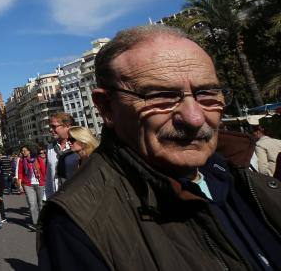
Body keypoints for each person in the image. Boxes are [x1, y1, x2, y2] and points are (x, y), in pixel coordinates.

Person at [38, 25, 281, 270]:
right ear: (107, 107)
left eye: (207, 93)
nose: (194, 117)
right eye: (161, 96)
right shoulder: (78, 225)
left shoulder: (250, 182)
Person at [45, 112, 79, 197]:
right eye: (50, 126)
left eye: (54, 126)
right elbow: (50, 176)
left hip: (77, 196)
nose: (50, 130)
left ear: (67, 126)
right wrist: (47, 197)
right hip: (57, 197)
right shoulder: (50, 147)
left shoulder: (79, 145)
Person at [18, 145, 46, 231]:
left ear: (30, 151)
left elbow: (44, 171)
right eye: (22, 151)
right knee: (32, 204)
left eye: (25, 150)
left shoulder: (38, 159)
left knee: (41, 204)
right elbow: (20, 173)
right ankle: (36, 224)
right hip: (28, 185)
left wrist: (46, 182)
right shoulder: (22, 161)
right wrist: (19, 185)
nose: (23, 152)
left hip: (40, 183)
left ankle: (44, 223)